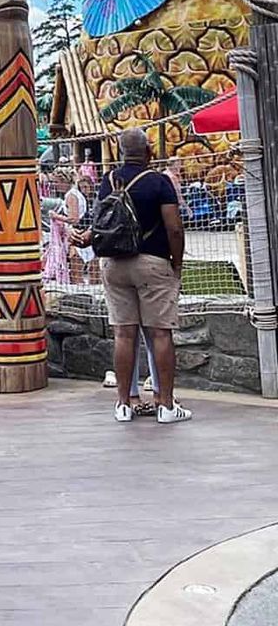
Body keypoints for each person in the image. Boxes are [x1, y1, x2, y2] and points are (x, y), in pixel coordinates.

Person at [75, 128, 190, 424]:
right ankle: (165, 405)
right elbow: (174, 228)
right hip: (152, 263)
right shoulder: (159, 182)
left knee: (124, 333)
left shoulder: (108, 180)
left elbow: (101, 222)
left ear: (121, 152)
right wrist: (176, 265)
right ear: (149, 151)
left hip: (114, 263)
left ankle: (124, 404)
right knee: (160, 332)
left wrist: (87, 238)